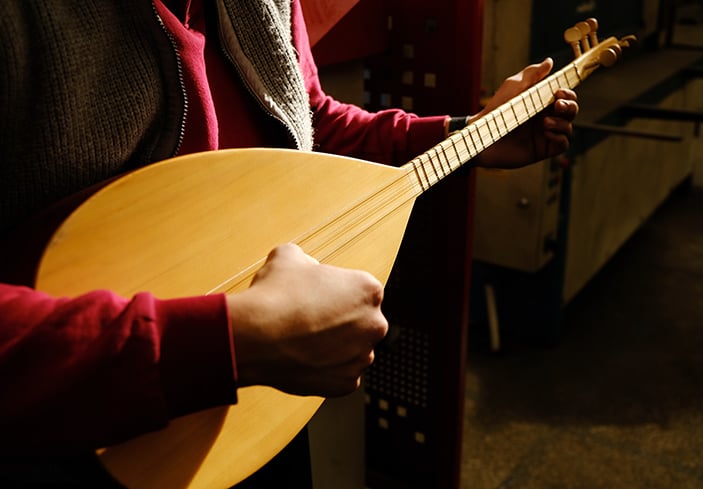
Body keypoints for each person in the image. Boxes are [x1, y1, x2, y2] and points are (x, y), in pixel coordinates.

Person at [0, 0, 578, 485]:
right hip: (74, 430)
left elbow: (305, 127)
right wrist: (225, 341)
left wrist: (466, 134)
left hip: (250, 415)